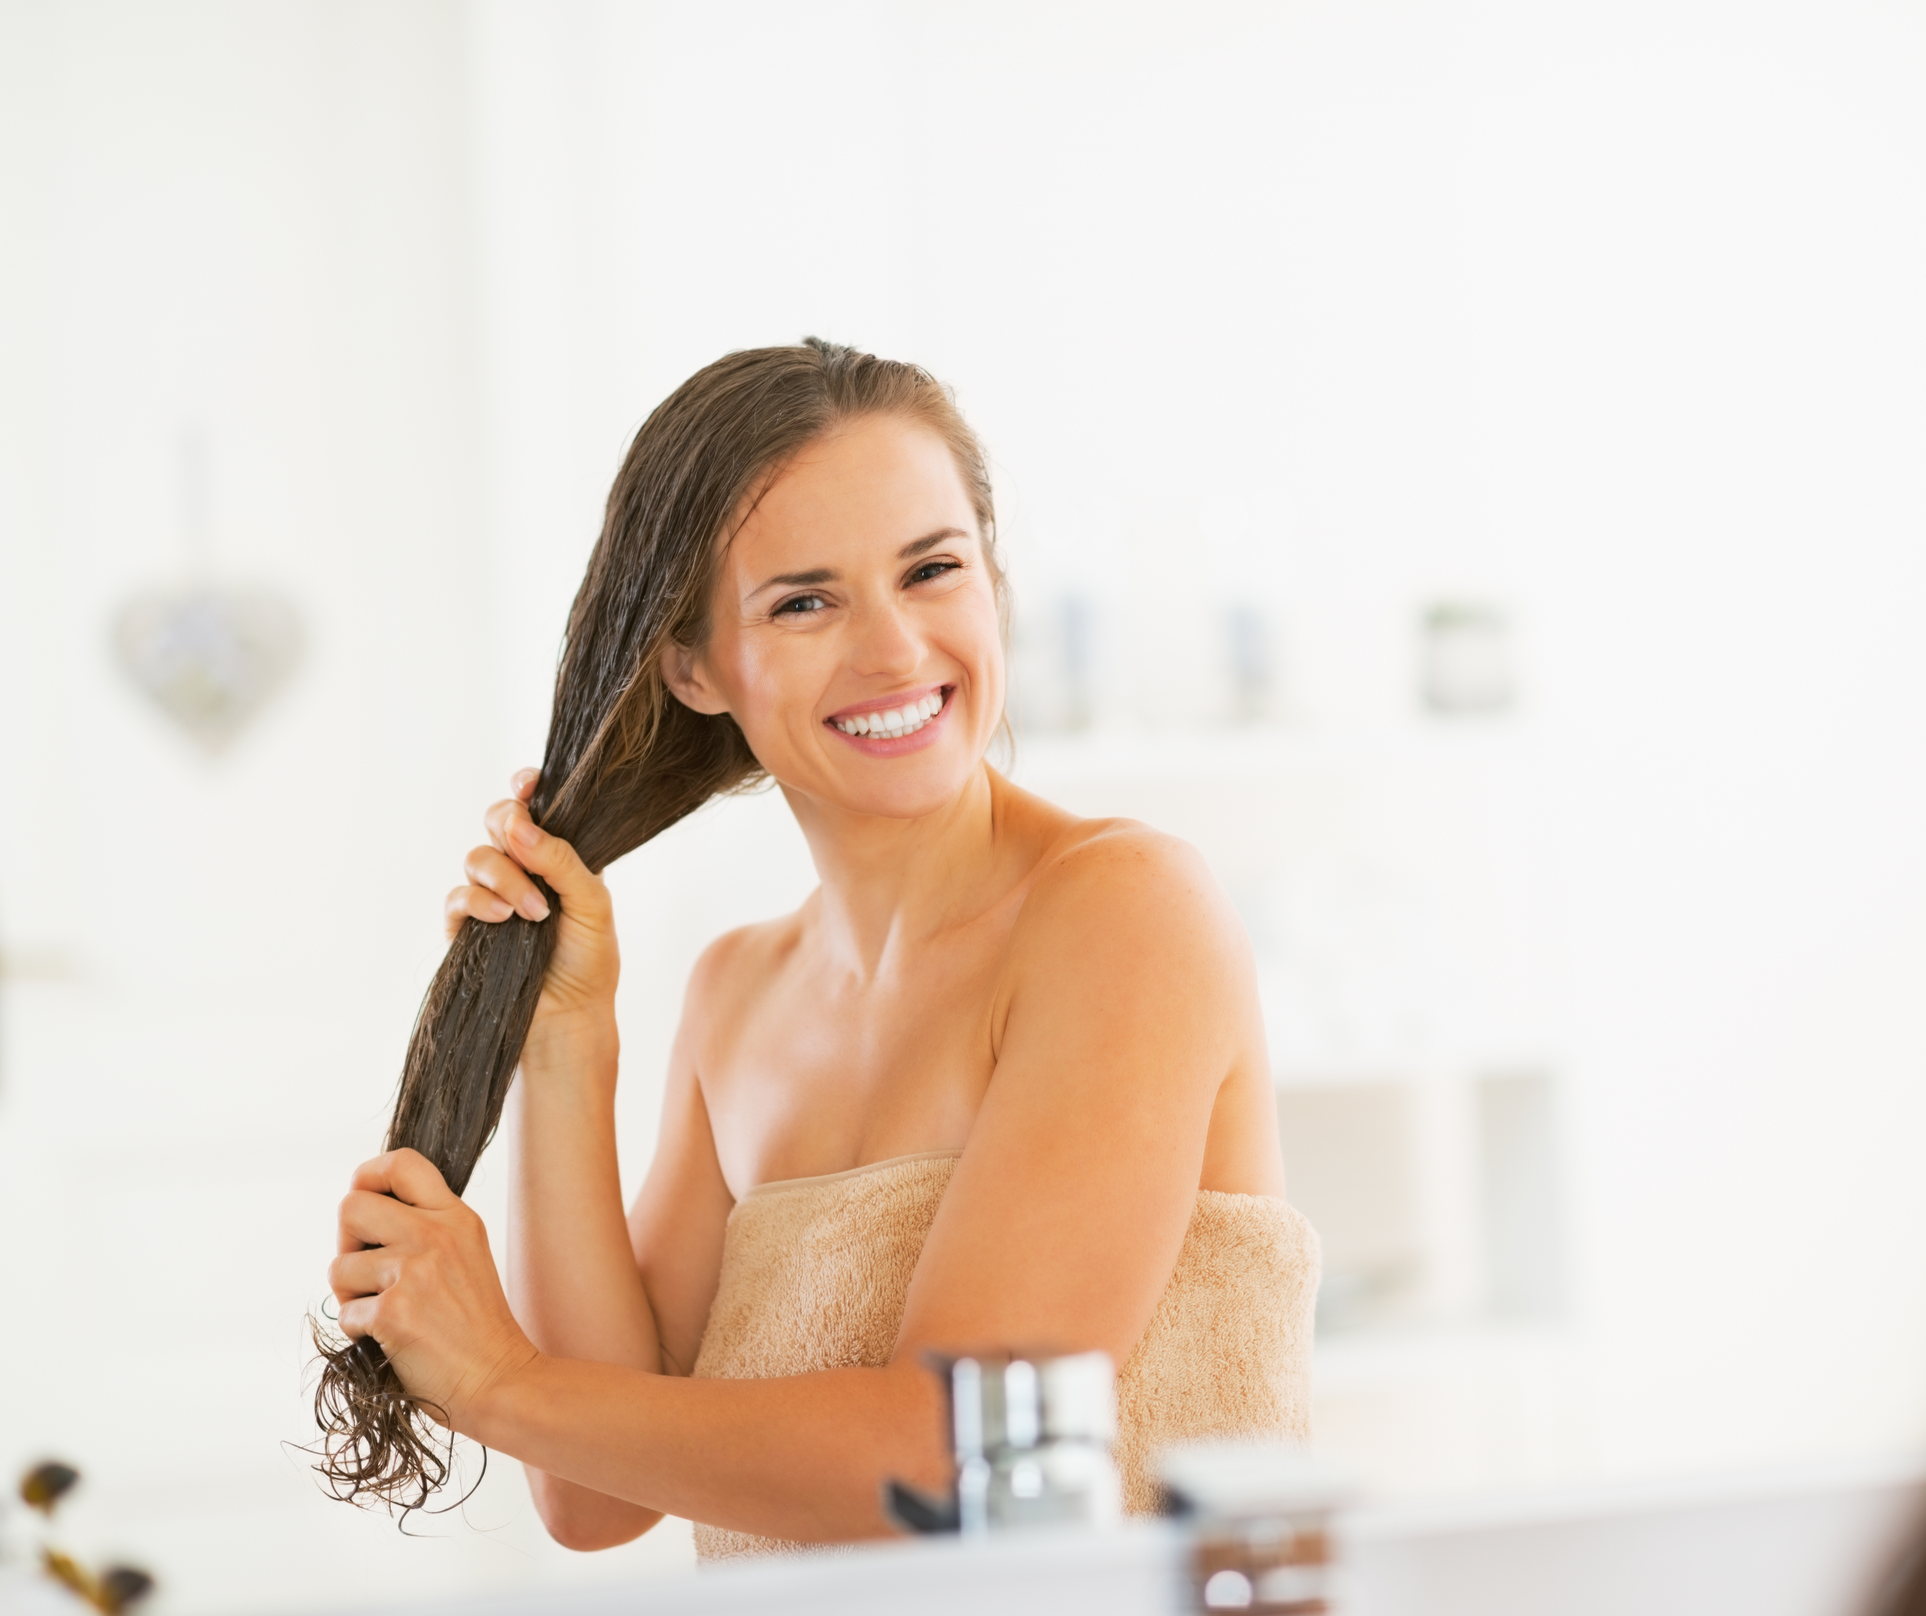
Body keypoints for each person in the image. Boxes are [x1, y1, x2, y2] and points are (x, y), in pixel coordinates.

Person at [327, 340, 1319, 1560]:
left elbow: (953, 1457)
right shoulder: (737, 993)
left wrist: (491, 1378)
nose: (894, 648)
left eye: (932, 569)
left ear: (992, 583)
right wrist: (568, 1039)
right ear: (691, 663)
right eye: (803, 599)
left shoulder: (1121, 911)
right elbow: (593, 1496)